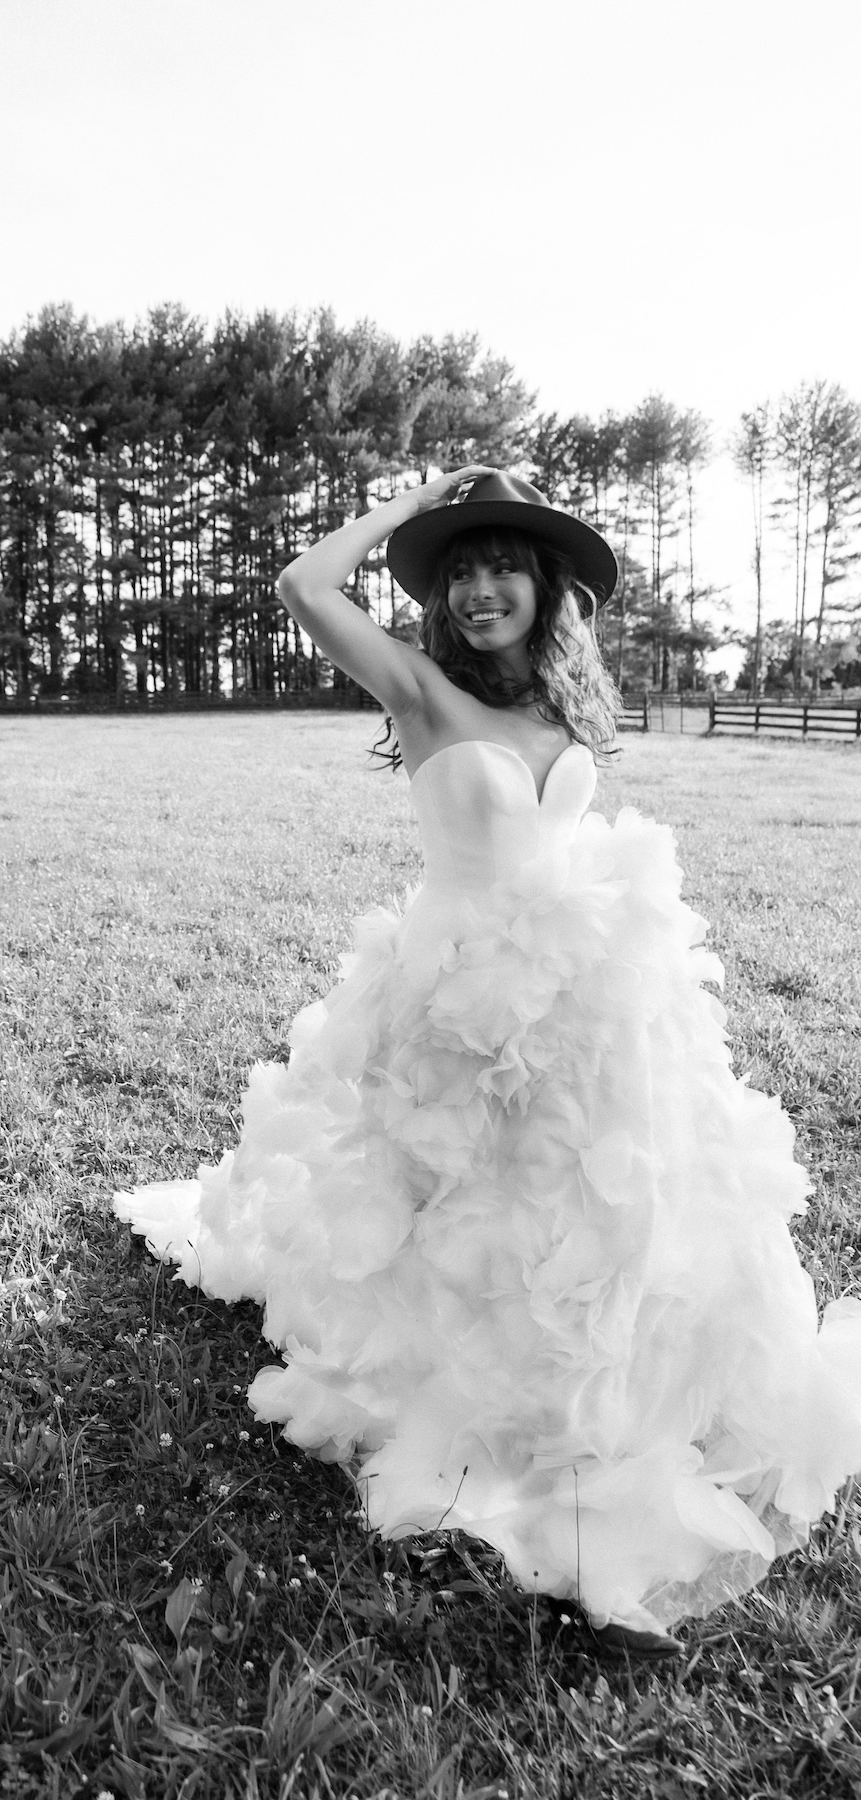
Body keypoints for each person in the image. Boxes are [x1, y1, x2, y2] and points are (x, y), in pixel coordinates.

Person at [114, 468, 861, 1657]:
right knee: (478, 1228)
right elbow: (305, 583)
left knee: (610, 1211)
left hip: (588, 1003)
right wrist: (408, 508)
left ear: (546, 585)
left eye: (502, 565)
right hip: (460, 1013)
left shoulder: (568, 715)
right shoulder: (418, 692)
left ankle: (625, 1405)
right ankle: (508, 1427)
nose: (478, 590)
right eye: (458, 570)